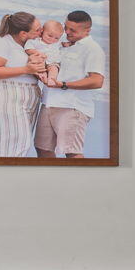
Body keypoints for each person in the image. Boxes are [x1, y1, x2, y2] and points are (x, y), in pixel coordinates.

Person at [35, 9, 107, 160]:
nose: (67, 32)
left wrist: (63, 84)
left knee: (72, 152)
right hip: (48, 103)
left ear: (87, 31)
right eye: (66, 27)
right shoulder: (60, 44)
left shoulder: (93, 49)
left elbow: (97, 80)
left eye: (72, 30)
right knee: (42, 150)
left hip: (72, 107)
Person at [0, 11, 44, 156]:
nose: (41, 32)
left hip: (27, 100)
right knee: (11, 145)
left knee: (22, 145)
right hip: (4, 96)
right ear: (23, 34)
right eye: (38, 30)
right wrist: (27, 69)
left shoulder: (29, 46)